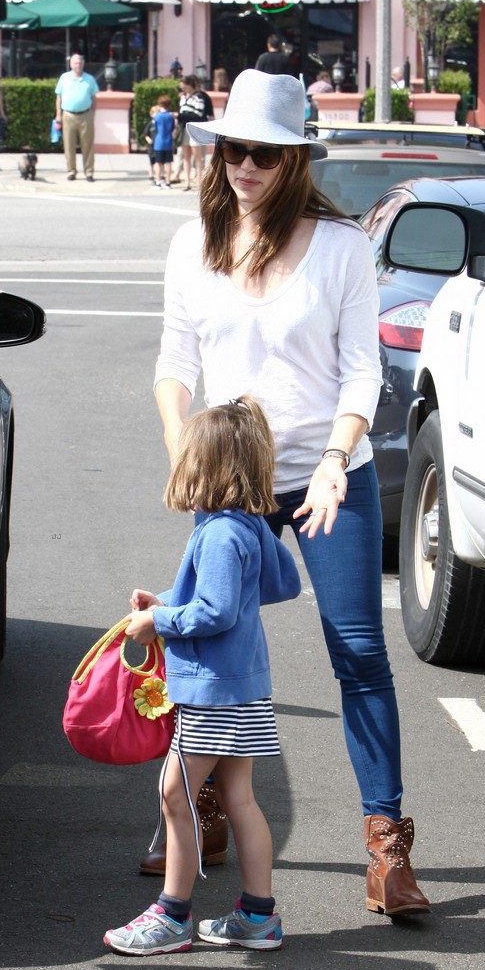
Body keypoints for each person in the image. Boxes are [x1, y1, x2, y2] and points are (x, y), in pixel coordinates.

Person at [150, 68, 432, 918]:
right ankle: (202, 810)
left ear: (294, 160)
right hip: (227, 480)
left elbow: (360, 371)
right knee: (208, 655)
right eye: (233, 149)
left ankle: (385, 847)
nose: (244, 166)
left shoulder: (342, 247)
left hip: (320, 472)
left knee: (357, 652)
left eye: (264, 154)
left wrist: (340, 458)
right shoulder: (192, 243)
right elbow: (173, 363)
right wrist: (186, 457)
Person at [104, 398, 301, 956]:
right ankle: (257, 915)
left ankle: (172, 916)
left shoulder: (217, 534)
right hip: (244, 688)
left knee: (175, 794)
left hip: (213, 692)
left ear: (208, 468)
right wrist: (166, 601)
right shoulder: (247, 527)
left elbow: (214, 611)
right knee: (239, 798)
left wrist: (157, 621)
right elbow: (267, 585)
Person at [55, 53, 99, 181]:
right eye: (75, 63)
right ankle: (71, 171)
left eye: (80, 63)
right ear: (71, 64)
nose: (78, 65)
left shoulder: (89, 79)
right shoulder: (64, 77)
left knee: (88, 145)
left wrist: (93, 113)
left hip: (86, 115)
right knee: (69, 145)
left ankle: (89, 172)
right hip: (68, 115)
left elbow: (94, 98)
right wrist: (58, 115)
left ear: (83, 64)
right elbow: (59, 97)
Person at [174, 74, 214, 189]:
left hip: (196, 128)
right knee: (186, 156)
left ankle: (199, 181)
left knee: (198, 157)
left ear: (191, 85)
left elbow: (198, 114)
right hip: (184, 128)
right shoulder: (182, 98)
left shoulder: (199, 97)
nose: (183, 89)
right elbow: (181, 112)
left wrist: (182, 115)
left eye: (184, 87)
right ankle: (187, 182)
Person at [148, 93, 177, 188]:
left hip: (159, 142)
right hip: (168, 142)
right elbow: (173, 127)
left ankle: (158, 181)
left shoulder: (157, 116)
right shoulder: (170, 116)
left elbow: (155, 127)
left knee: (158, 163)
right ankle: (168, 182)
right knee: (168, 163)